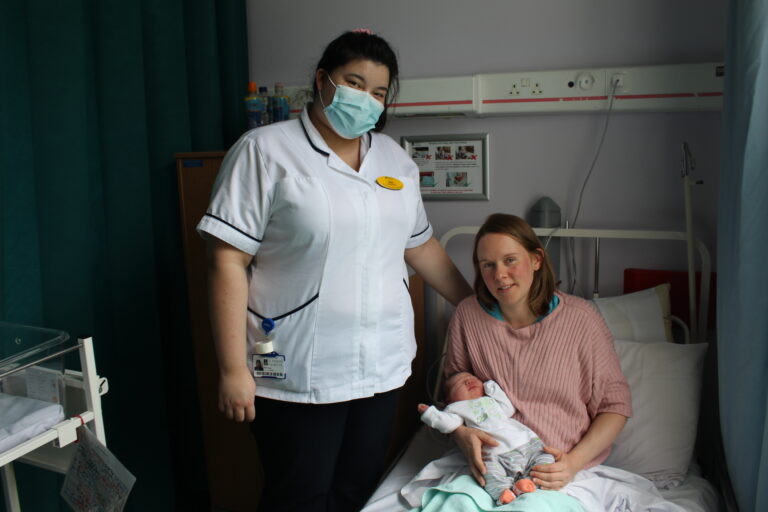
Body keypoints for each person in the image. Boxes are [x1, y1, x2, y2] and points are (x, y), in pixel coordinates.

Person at [197, 29, 472, 512]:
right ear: (323, 80)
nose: (366, 98)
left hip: (380, 368)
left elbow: (420, 245)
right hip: (298, 369)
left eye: (379, 91)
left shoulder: (394, 160)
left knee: (356, 492)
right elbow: (227, 259)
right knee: (299, 497)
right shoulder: (264, 150)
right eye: (355, 82)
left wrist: (475, 304)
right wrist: (231, 368)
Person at [444, 213, 632, 494]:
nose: (500, 275)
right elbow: (453, 390)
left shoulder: (581, 320)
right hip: (492, 467)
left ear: (536, 260)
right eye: (488, 265)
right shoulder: (468, 316)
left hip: (558, 468)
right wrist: (462, 434)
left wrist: (572, 464)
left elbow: (615, 407)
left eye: (510, 260)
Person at [417, 372, 555, 505]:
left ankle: (529, 482)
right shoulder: (456, 408)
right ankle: (503, 492)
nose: (468, 381)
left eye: (472, 378)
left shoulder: (491, 401)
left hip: (526, 443)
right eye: (459, 383)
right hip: (496, 454)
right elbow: (448, 424)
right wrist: (430, 414)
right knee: (487, 471)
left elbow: (508, 408)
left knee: (546, 458)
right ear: (449, 399)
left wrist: (492, 387)